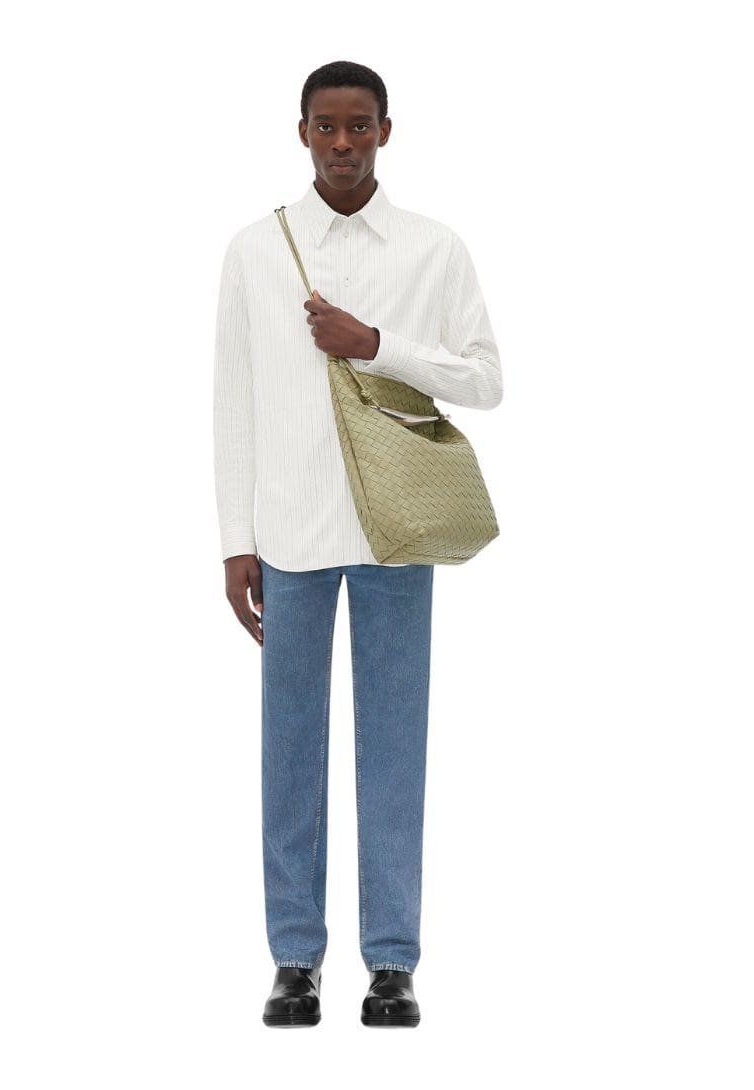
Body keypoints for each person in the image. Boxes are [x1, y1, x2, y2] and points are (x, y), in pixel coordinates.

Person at [212, 60, 502, 1028]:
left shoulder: (432, 248)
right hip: (287, 531)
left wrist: (374, 343)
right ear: (301, 132)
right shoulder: (257, 250)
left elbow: (485, 379)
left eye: (360, 125)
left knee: (394, 747)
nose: (343, 143)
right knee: (289, 749)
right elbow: (233, 400)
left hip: (396, 530)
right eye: (327, 126)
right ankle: (294, 959)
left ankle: (391, 964)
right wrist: (235, 539)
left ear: (386, 130)